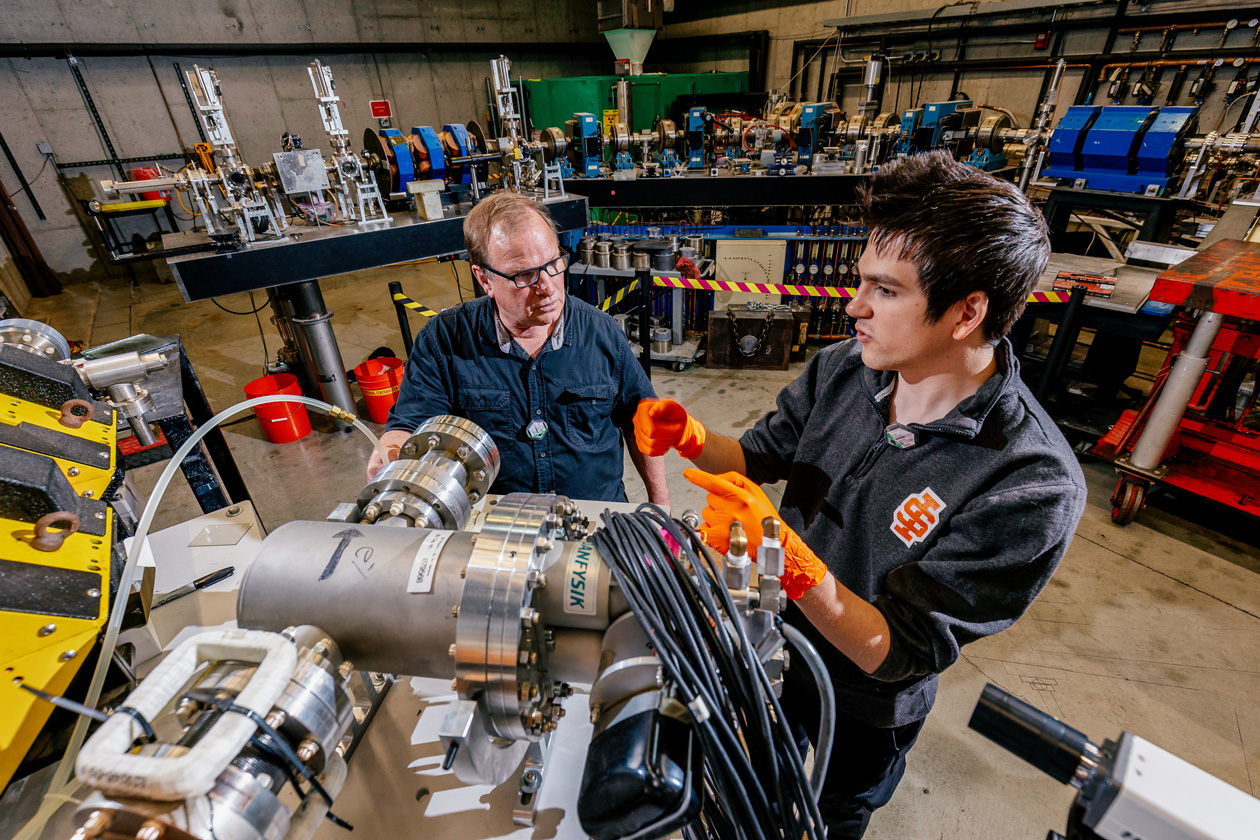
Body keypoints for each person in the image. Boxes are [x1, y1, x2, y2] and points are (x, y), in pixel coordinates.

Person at [633, 151, 1086, 838]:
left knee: (829, 814)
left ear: (967, 312)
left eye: (887, 290)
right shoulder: (846, 370)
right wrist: (693, 438)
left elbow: (896, 650)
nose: (855, 307)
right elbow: (757, 457)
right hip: (771, 639)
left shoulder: (1029, 481)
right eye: (860, 283)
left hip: (864, 702)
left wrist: (789, 557)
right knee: (746, 778)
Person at [370, 191, 668, 505]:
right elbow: (410, 426)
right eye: (524, 275)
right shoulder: (444, 342)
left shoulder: (602, 334)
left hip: (597, 513)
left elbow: (642, 421)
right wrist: (392, 450)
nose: (547, 286)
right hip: (497, 522)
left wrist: (661, 505)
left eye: (554, 263)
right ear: (484, 279)